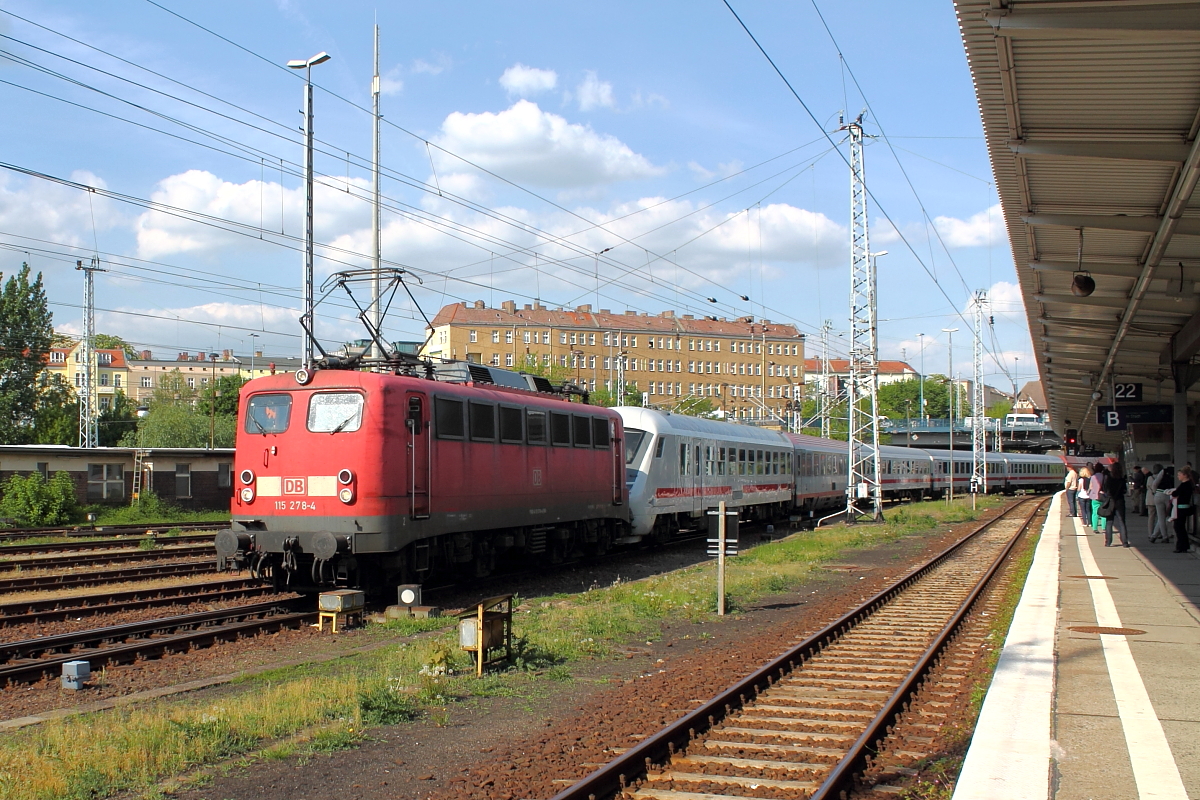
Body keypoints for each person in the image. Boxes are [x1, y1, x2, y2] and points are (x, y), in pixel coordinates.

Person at [1099, 463, 1130, 547]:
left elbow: (1105, 489)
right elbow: (1124, 491)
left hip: (1110, 501)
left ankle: (1108, 542)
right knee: (1122, 522)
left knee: (1109, 521)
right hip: (1120, 501)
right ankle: (1125, 542)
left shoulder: (1108, 478)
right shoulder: (1122, 479)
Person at [1172, 469, 1193, 553]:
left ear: (1184, 475)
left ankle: (1181, 546)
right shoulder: (1189, 485)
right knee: (1180, 527)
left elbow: (1175, 493)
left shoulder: (1185, 485)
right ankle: (1183, 545)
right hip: (1184, 507)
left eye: (1179, 474)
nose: (1178, 476)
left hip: (1182, 508)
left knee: (1178, 527)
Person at [1153, 465, 1175, 543]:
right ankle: (1156, 535)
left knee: (1161, 517)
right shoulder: (1179, 472)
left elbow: (1155, 483)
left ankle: (1163, 536)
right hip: (1170, 495)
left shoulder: (1164, 471)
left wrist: (1155, 492)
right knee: (1170, 516)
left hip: (1159, 493)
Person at [1146, 465, 1164, 541]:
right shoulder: (1162, 478)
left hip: (1150, 499)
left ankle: (1150, 533)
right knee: (1161, 517)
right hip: (1160, 497)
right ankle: (1159, 533)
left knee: (1151, 517)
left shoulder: (1150, 478)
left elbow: (1148, 486)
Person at [1091, 464, 1108, 532]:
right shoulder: (1105, 477)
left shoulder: (1093, 477)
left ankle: (1095, 528)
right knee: (1104, 512)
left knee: (1095, 512)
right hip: (1104, 496)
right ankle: (1104, 527)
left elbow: (1091, 487)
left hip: (1095, 496)